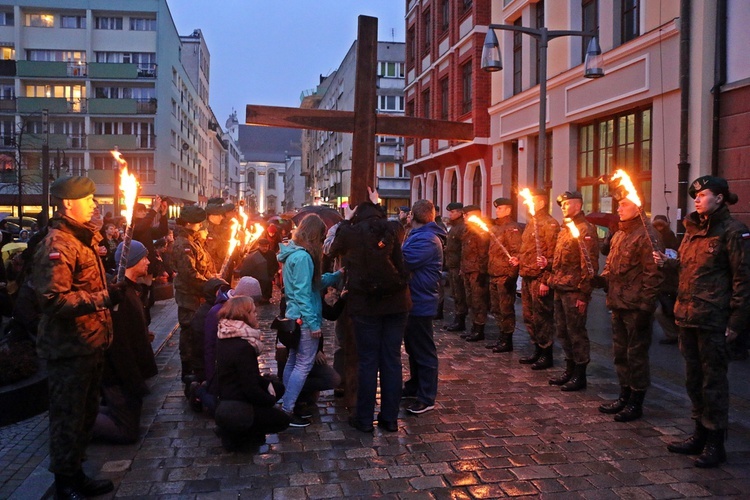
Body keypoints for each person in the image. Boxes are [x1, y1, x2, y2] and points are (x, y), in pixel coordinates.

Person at [31, 176, 117, 499]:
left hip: (89, 344)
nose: (94, 204)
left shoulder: (82, 240)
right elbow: (53, 301)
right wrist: (103, 299)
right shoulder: (58, 244)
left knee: (86, 415)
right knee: (67, 417)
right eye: (88, 198)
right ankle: (65, 483)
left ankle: (77, 473)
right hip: (68, 350)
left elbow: (88, 284)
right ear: (68, 203)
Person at [657, 175, 750, 468]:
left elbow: (743, 281)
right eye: (694, 196)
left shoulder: (734, 232)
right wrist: (667, 263)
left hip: (714, 321)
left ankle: (714, 442)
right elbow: (688, 269)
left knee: (714, 383)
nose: (696, 199)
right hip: (688, 317)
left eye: (703, 195)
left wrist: (736, 323)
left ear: (720, 198)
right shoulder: (693, 231)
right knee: (693, 380)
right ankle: (698, 432)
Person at [329, 190, 410, 433]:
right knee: (392, 360)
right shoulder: (393, 228)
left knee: (368, 361)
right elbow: (394, 249)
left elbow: (332, 250)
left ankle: (364, 419)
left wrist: (345, 218)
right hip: (396, 302)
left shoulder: (349, 232)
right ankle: (390, 419)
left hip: (365, 304)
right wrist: (378, 206)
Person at [598, 187, 662, 421]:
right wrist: (601, 279)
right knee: (620, 354)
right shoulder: (620, 234)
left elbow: (653, 274)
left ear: (638, 206)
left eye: (624, 204)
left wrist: (647, 307)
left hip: (636, 307)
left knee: (636, 355)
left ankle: (637, 400)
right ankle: (624, 394)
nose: (619, 208)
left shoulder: (647, 235)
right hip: (618, 303)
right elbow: (611, 265)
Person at [277, 214, 343, 427]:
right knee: (302, 365)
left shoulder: (293, 254)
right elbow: (304, 293)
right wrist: (314, 325)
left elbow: (310, 284)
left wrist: (335, 275)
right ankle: (287, 410)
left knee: (293, 361)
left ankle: (288, 402)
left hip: (293, 316)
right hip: (304, 320)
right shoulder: (304, 257)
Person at [93, 240, 157, 444]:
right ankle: (78, 420)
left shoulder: (132, 290)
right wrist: (133, 379)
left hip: (128, 372)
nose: (148, 262)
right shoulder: (119, 295)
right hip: (119, 374)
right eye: (144, 258)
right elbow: (119, 343)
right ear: (132, 261)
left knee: (132, 418)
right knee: (127, 432)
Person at [214, 296, 290, 450]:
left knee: (277, 387)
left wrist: (267, 384)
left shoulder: (224, 337)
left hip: (228, 398)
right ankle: (241, 433)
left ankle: (239, 430)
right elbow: (250, 389)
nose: (256, 315)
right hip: (238, 404)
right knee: (282, 420)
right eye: (253, 312)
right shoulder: (243, 347)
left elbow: (247, 375)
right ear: (244, 315)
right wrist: (270, 401)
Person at [548, 191, 599, 391]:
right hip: (560, 287)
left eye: (567, 204)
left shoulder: (585, 229)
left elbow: (589, 264)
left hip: (574, 290)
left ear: (578, 206)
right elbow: (561, 260)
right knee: (562, 331)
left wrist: (584, 294)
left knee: (576, 332)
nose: (563, 208)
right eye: (562, 205)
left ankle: (580, 374)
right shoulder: (565, 229)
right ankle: (569, 369)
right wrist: (548, 264)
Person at [401, 200, 447, 419]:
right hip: (414, 300)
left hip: (421, 300)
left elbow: (403, 262)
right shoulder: (418, 235)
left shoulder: (426, 239)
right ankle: (415, 385)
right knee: (413, 347)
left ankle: (426, 396)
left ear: (413, 215)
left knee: (424, 351)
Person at [511, 188, 559, 370]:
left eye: (532, 200)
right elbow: (529, 250)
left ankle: (546, 353)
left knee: (542, 317)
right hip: (527, 275)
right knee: (529, 316)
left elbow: (552, 254)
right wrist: (520, 260)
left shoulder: (550, 224)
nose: (527, 203)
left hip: (540, 279)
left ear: (541, 202)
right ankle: (537, 349)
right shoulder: (533, 223)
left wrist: (546, 280)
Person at [172, 205, 216, 392]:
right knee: (189, 333)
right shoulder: (183, 244)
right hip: (190, 297)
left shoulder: (193, 241)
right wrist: (210, 286)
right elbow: (190, 273)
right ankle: (188, 371)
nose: (201, 225)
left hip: (198, 296)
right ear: (190, 223)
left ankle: (196, 369)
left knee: (197, 332)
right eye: (199, 222)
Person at [486, 198, 522, 353]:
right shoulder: (496, 228)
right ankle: (501, 337)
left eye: (500, 208)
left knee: (506, 308)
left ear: (508, 210)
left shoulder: (512, 228)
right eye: (497, 208)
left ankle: (507, 339)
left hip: (504, 275)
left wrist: (512, 276)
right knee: (496, 308)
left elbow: (516, 253)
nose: (497, 211)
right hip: (494, 273)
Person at [459, 205, 490, 342]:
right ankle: (473, 326)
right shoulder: (468, 231)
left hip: (477, 272)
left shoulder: (480, 232)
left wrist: (482, 272)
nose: (464, 217)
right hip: (467, 270)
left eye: (467, 215)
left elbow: (483, 254)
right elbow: (464, 253)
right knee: (470, 300)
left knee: (478, 301)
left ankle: (479, 329)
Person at [651, 215, 679, 345]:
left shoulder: (672, 239)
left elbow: (675, 260)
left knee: (665, 310)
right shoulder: (651, 239)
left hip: (669, 281)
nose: (659, 229)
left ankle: (675, 334)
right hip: (656, 280)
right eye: (656, 226)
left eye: (661, 226)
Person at [444, 202, 468, 332]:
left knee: (460, 294)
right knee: (455, 293)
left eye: (452, 212)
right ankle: (457, 319)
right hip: (452, 265)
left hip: (458, 265)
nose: (450, 214)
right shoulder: (454, 227)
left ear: (459, 213)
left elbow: (463, 249)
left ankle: (460, 320)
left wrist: (461, 267)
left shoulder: (461, 227)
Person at [237, 237, 277, 303]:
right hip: (257, 278)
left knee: (266, 292)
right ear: (259, 245)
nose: (265, 248)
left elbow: (275, 265)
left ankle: (266, 298)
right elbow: (248, 267)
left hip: (268, 277)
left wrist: (271, 274)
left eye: (267, 246)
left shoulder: (271, 254)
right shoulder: (253, 255)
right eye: (263, 246)